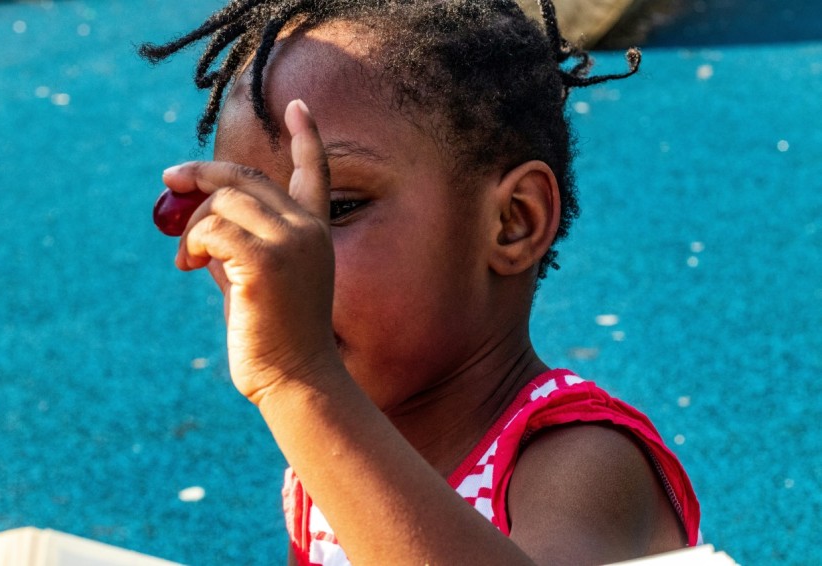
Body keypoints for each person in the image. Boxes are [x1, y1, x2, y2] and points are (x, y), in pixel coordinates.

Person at [141, 1, 700, 564]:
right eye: (249, 221)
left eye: (337, 208)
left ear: (513, 221)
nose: (286, 258)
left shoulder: (583, 462)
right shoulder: (331, 438)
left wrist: (296, 379)